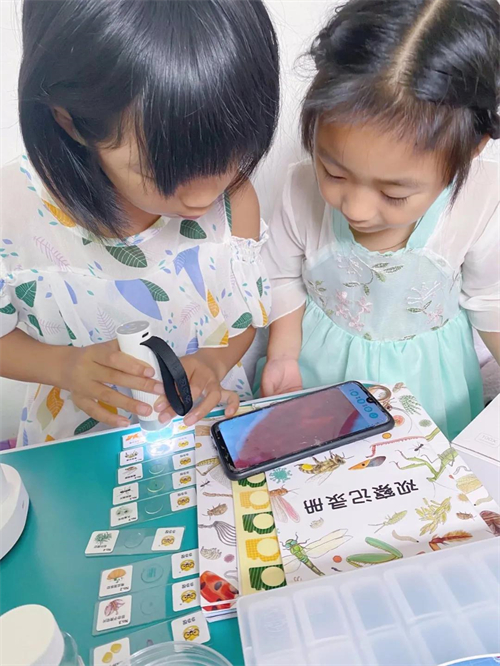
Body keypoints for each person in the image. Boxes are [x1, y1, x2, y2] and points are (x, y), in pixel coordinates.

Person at [0, 0, 279, 446]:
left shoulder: (234, 202)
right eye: (162, 173)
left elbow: (242, 314)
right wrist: (65, 367)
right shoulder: (12, 209)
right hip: (75, 444)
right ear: (71, 121)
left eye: (226, 160)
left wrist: (214, 362)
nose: (202, 198)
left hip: (200, 431)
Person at [260, 0, 499, 439]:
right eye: (333, 172)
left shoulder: (480, 201)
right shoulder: (299, 190)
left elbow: (491, 301)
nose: (355, 209)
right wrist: (282, 355)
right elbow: (279, 277)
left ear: (472, 149)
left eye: (394, 194)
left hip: (429, 388)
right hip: (321, 374)